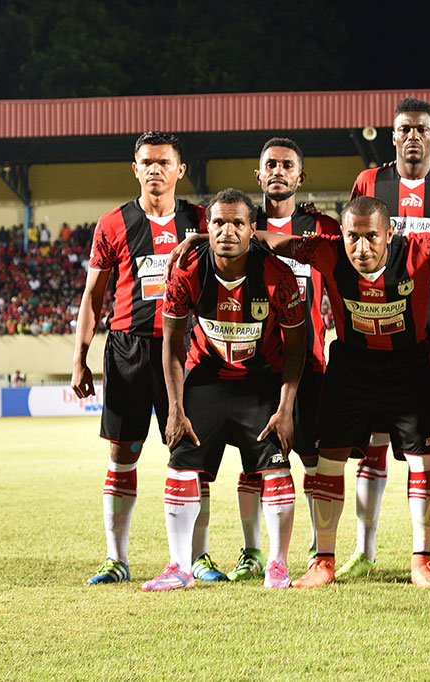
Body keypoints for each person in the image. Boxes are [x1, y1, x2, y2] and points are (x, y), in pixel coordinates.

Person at [237, 196, 430, 588]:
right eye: (352, 237)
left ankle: (422, 562)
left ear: (390, 233)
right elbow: (279, 242)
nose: (361, 248)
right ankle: (324, 562)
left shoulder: (420, 250)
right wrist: (215, 237)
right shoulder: (325, 251)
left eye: (371, 237)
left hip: (409, 367)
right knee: (330, 459)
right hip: (351, 367)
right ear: (341, 235)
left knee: (422, 460)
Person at [347, 97, 430, 579]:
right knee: (374, 444)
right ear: (393, 136)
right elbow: (354, 245)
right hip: (379, 338)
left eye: (419, 129)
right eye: (403, 129)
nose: (411, 136)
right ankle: (364, 552)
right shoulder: (370, 183)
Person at [148, 189, 305, 591]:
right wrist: (175, 407)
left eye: (238, 223)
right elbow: (171, 344)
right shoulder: (186, 272)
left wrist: (285, 408)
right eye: (219, 223)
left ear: (253, 230)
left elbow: (296, 348)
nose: (228, 231)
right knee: (182, 461)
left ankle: (277, 564)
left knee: (274, 467)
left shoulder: (277, 275)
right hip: (208, 379)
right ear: (207, 227)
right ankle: (179, 566)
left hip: (260, 381)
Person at [73, 132, 209, 585]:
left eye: (163, 162)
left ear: (179, 170)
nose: (154, 169)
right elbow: (93, 298)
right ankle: (117, 559)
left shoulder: (201, 221)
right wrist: (80, 359)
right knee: (123, 452)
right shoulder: (112, 224)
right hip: (128, 348)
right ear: (135, 168)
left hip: (186, 349)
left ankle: (197, 558)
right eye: (146, 162)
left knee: (191, 451)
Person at [226, 138, 341, 582]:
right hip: (257, 364)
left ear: (300, 176)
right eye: (269, 164)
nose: (277, 170)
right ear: (258, 174)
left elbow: (339, 285)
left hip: (308, 360)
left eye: (286, 165)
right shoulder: (238, 222)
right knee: (254, 462)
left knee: (313, 459)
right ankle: (252, 552)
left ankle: (318, 550)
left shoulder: (321, 226)